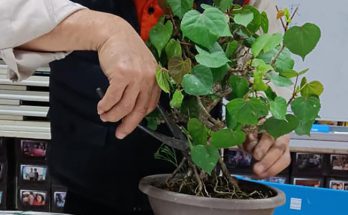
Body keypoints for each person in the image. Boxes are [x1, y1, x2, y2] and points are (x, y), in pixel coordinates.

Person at [0, 0, 291, 214]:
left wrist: (264, 112)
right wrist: (102, 29)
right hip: (91, 177)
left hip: (194, 186)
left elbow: (259, 39)